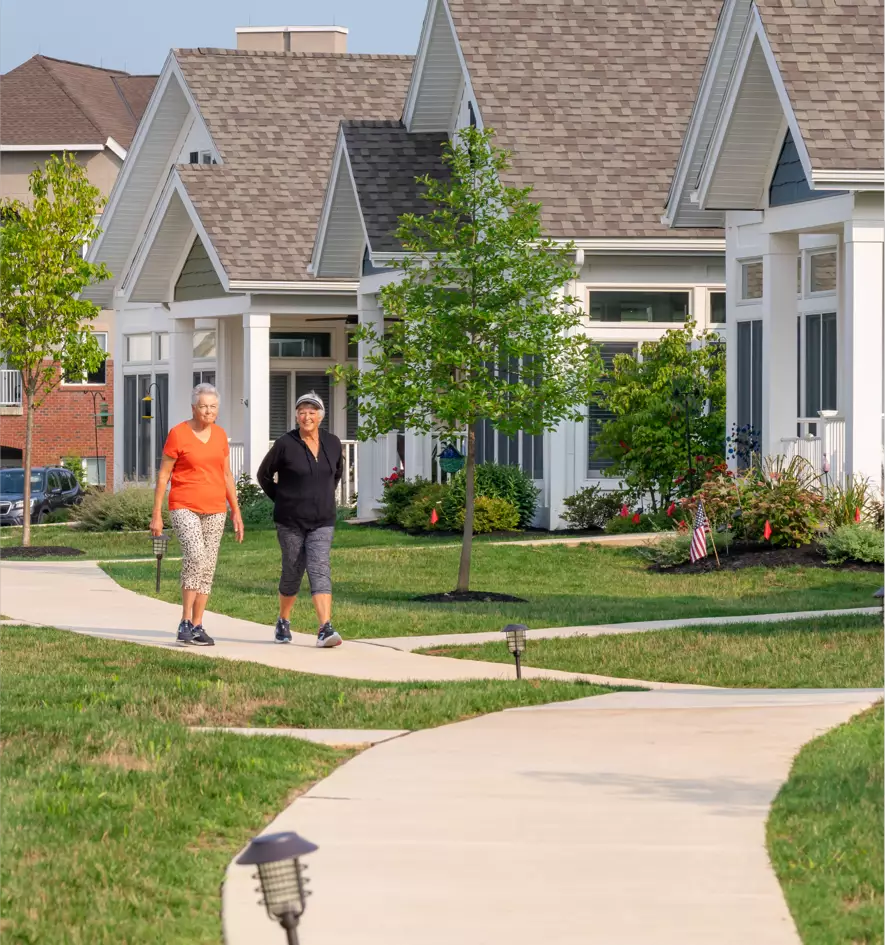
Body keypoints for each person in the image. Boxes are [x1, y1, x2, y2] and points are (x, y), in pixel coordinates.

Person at [150, 383, 244, 646]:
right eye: (203, 406)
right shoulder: (178, 434)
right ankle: (184, 621)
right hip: (183, 505)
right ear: (193, 407)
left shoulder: (220, 435)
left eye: (213, 407)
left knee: (208, 566)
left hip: (215, 508)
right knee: (196, 556)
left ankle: (198, 624)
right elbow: (163, 475)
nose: (208, 411)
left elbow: (226, 475)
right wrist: (156, 514)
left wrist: (235, 511)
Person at [258, 390, 343, 648]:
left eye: (312, 411)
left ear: (321, 415)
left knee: (320, 569)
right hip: (290, 521)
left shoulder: (333, 442)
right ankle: (283, 620)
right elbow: (264, 475)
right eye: (302, 411)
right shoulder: (285, 443)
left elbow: (335, 473)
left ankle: (324, 628)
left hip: (322, 520)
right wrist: (283, 499)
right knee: (292, 570)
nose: (307, 416)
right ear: (296, 415)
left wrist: (324, 497)